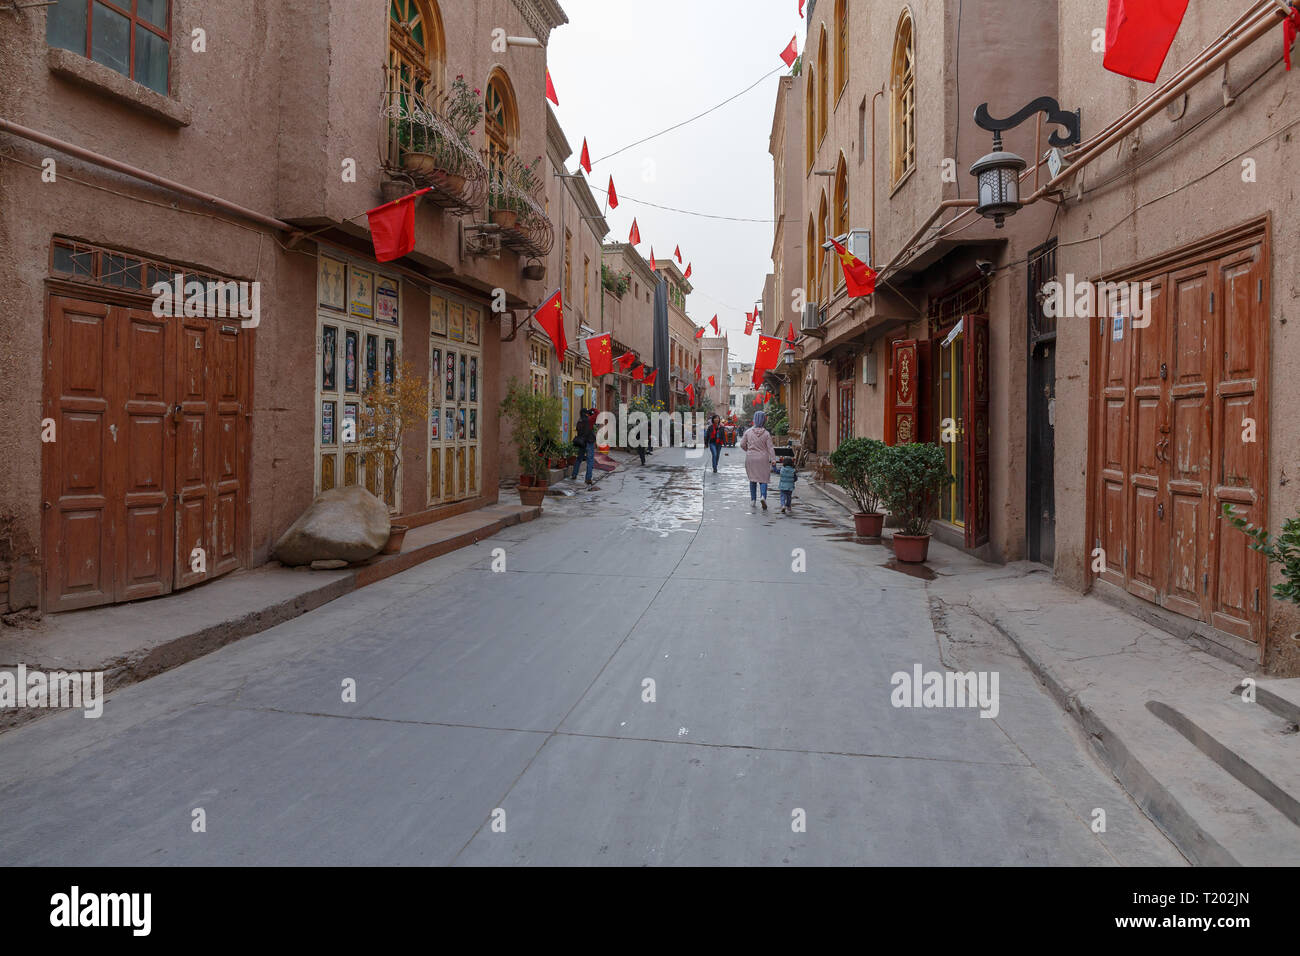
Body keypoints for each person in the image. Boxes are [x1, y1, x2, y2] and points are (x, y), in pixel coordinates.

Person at [740, 410, 777, 510]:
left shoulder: (748, 432)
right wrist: (773, 459)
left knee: (752, 479)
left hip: (751, 458)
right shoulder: (766, 434)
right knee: (763, 479)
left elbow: (742, 444)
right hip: (763, 458)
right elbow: (770, 448)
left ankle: (753, 500)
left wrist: (748, 450)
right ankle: (763, 497)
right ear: (764, 420)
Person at [572, 408, 599, 488]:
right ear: (586, 413)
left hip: (581, 442)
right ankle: (588, 478)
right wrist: (592, 409)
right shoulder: (589, 420)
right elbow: (597, 413)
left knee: (579, 458)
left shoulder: (579, 421)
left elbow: (578, 431)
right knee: (590, 460)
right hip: (589, 442)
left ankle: (574, 474)